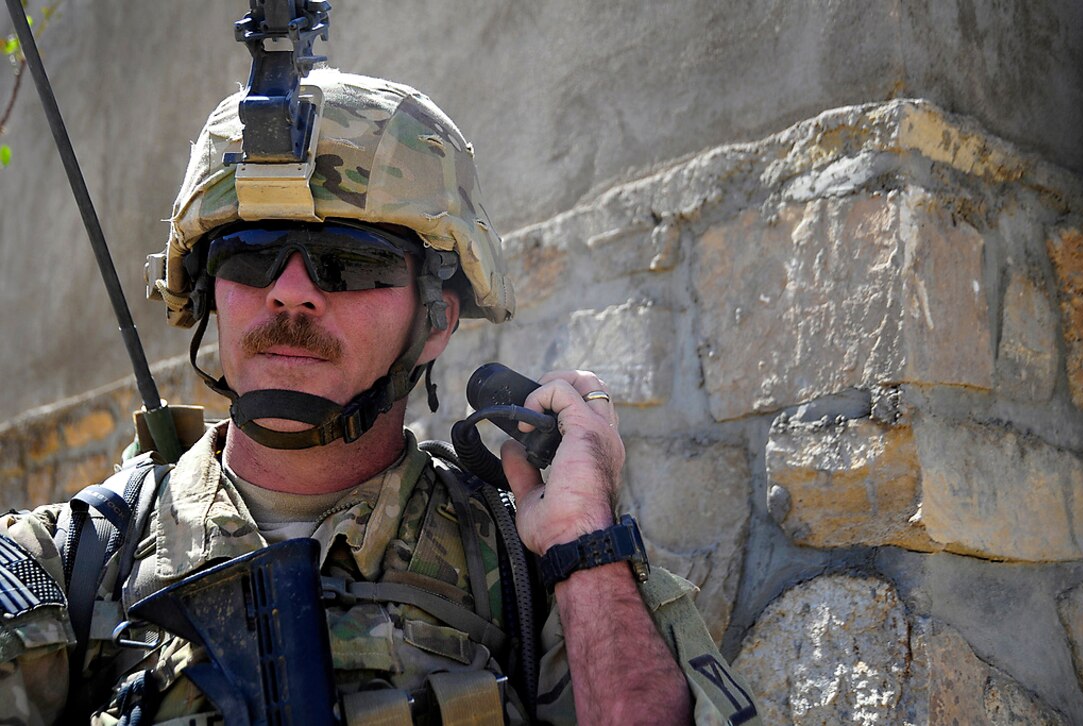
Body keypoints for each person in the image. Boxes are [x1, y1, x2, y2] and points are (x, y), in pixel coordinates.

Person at [0, 69, 759, 725]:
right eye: (252, 255)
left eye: (348, 263)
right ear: (209, 295)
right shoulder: (66, 565)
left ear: (433, 323)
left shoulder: (524, 567)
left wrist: (585, 551)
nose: (291, 293)